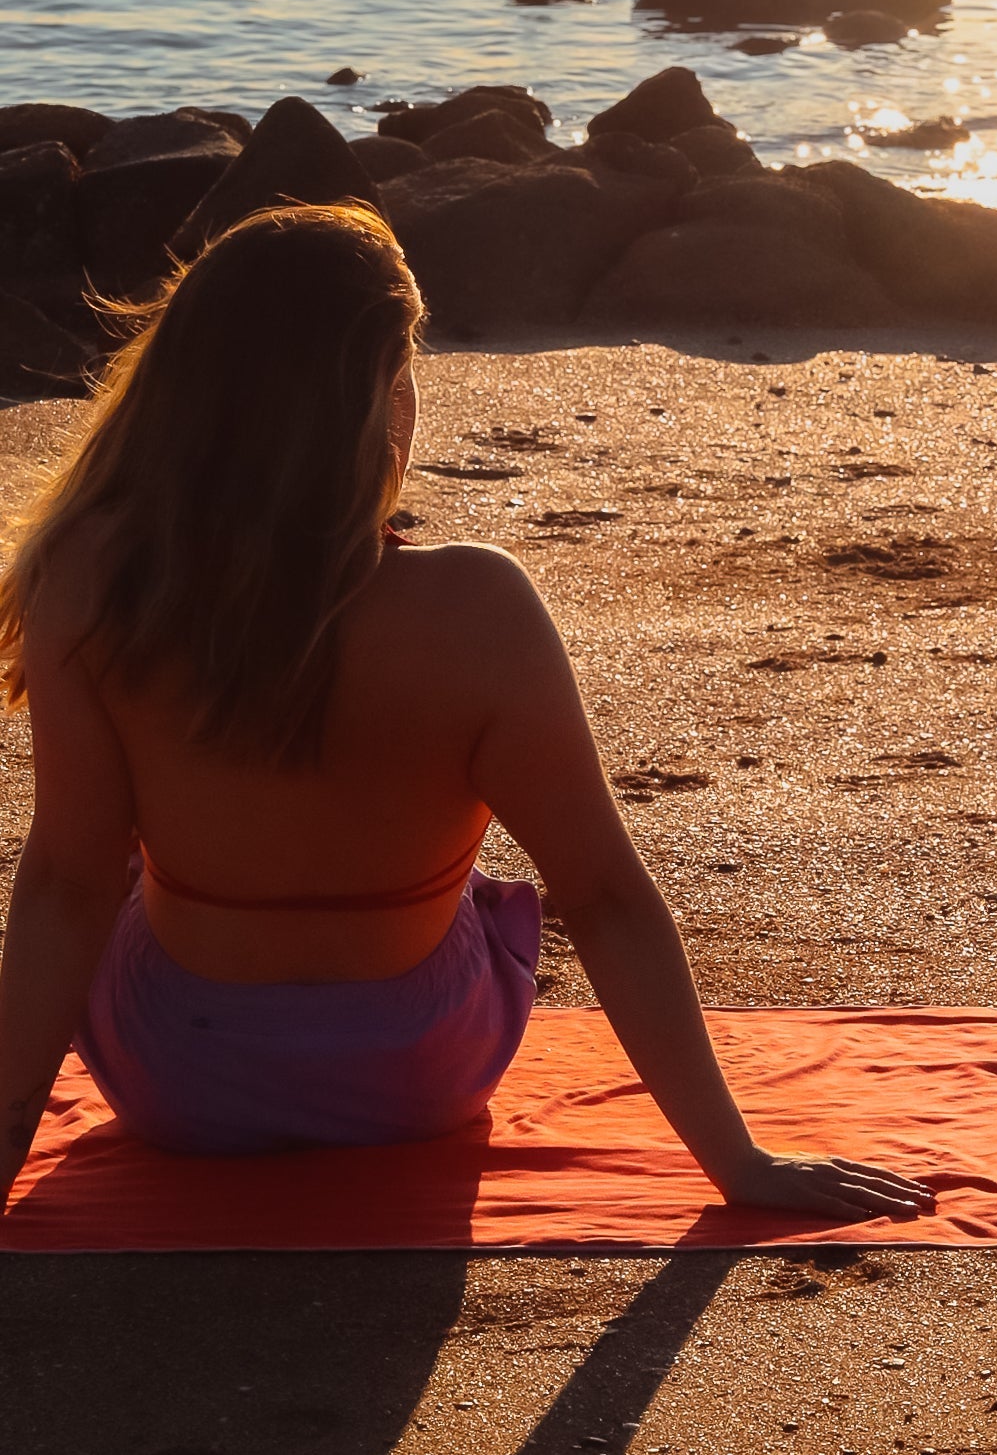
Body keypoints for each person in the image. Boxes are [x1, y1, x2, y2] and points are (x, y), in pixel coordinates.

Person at [0, 203, 934, 1222]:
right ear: (382, 395)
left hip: (181, 1082)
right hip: (420, 1077)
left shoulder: (90, 578)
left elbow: (64, 885)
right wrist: (736, 1161)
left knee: (129, 862)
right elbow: (606, 898)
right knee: (477, 886)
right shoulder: (479, 609)